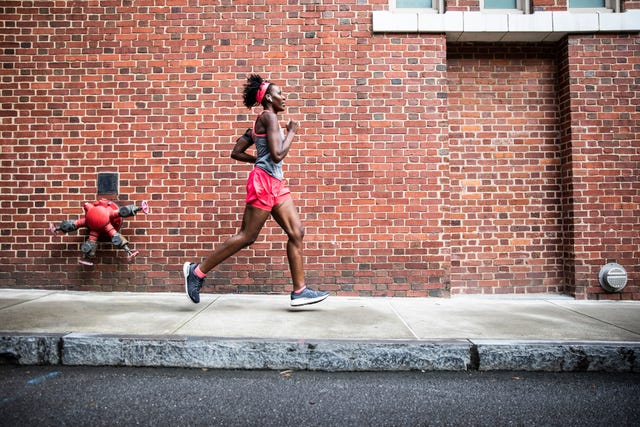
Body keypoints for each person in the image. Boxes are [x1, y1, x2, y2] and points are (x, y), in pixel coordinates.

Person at [183, 74, 329, 307]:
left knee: (297, 232)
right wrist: (291, 132)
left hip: (276, 183)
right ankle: (197, 272)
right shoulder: (269, 118)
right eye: (280, 93)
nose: (284, 97)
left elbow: (237, 151)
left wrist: (258, 159)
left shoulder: (260, 122)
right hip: (264, 183)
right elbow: (278, 154)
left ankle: (300, 290)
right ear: (269, 97)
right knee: (247, 236)